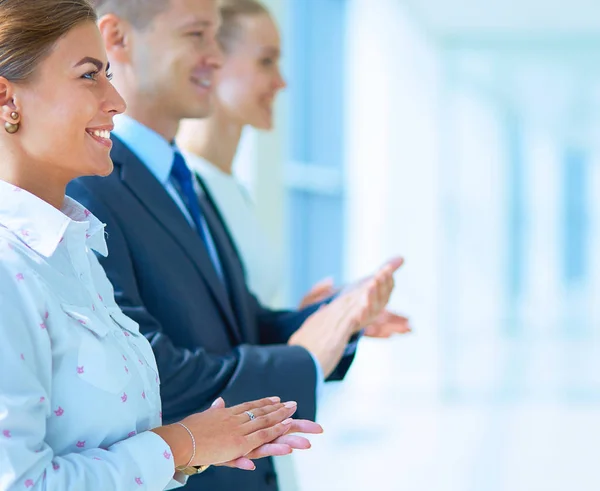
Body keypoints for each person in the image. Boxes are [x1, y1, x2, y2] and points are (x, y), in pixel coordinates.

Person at [66, 0, 401, 489]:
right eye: (196, 35)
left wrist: (340, 317)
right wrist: (303, 361)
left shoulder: (182, 180)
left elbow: (237, 325)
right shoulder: (87, 186)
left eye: (217, 38)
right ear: (117, 39)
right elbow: (151, 372)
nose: (216, 57)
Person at [0, 1, 326, 490]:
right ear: (7, 99)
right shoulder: (9, 268)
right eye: (89, 75)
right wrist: (185, 444)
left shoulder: (76, 249)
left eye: (107, 74)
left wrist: (196, 448)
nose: (116, 99)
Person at [177, 0, 413, 338]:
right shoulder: (179, 186)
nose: (281, 82)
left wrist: (329, 317)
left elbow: (244, 329)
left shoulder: (233, 191)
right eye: (266, 62)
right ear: (212, 61)